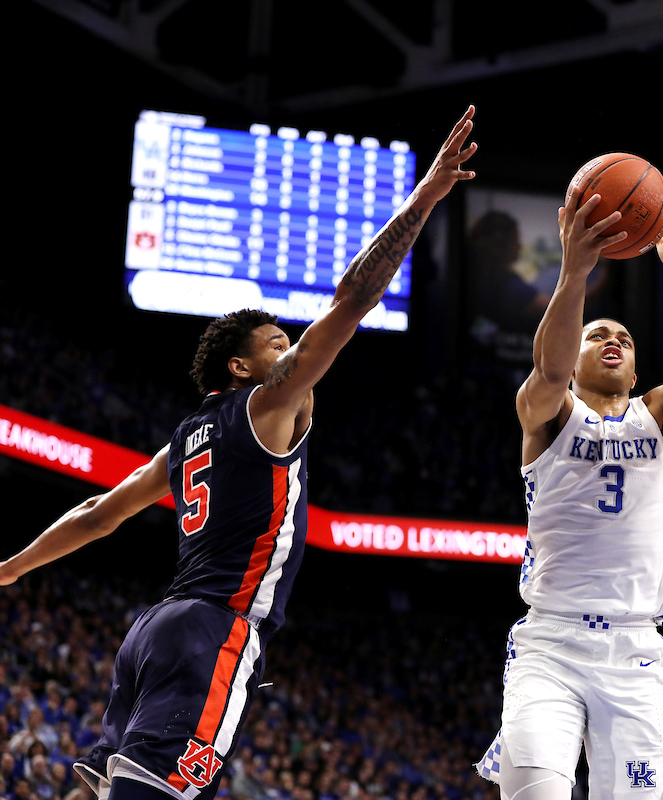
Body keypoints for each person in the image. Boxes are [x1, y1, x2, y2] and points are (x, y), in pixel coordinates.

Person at [0, 107, 478, 800]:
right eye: (280, 346)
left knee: (98, 790)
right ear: (243, 370)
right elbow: (354, 297)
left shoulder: (184, 440)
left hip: (152, 631)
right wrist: (423, 198)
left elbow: (101, 513)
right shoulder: (268, 404)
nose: (295, 354)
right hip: (212, 628)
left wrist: (12, 567)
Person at [475, 189, 663, 800]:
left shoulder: (662, 415)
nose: (612, 339)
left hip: (636, 651)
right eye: (597, 335)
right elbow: (548, 371)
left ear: (639, 370)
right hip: (551, 644)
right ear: (577, 354)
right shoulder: (548, 413)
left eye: (623, 336)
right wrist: (574, 274)